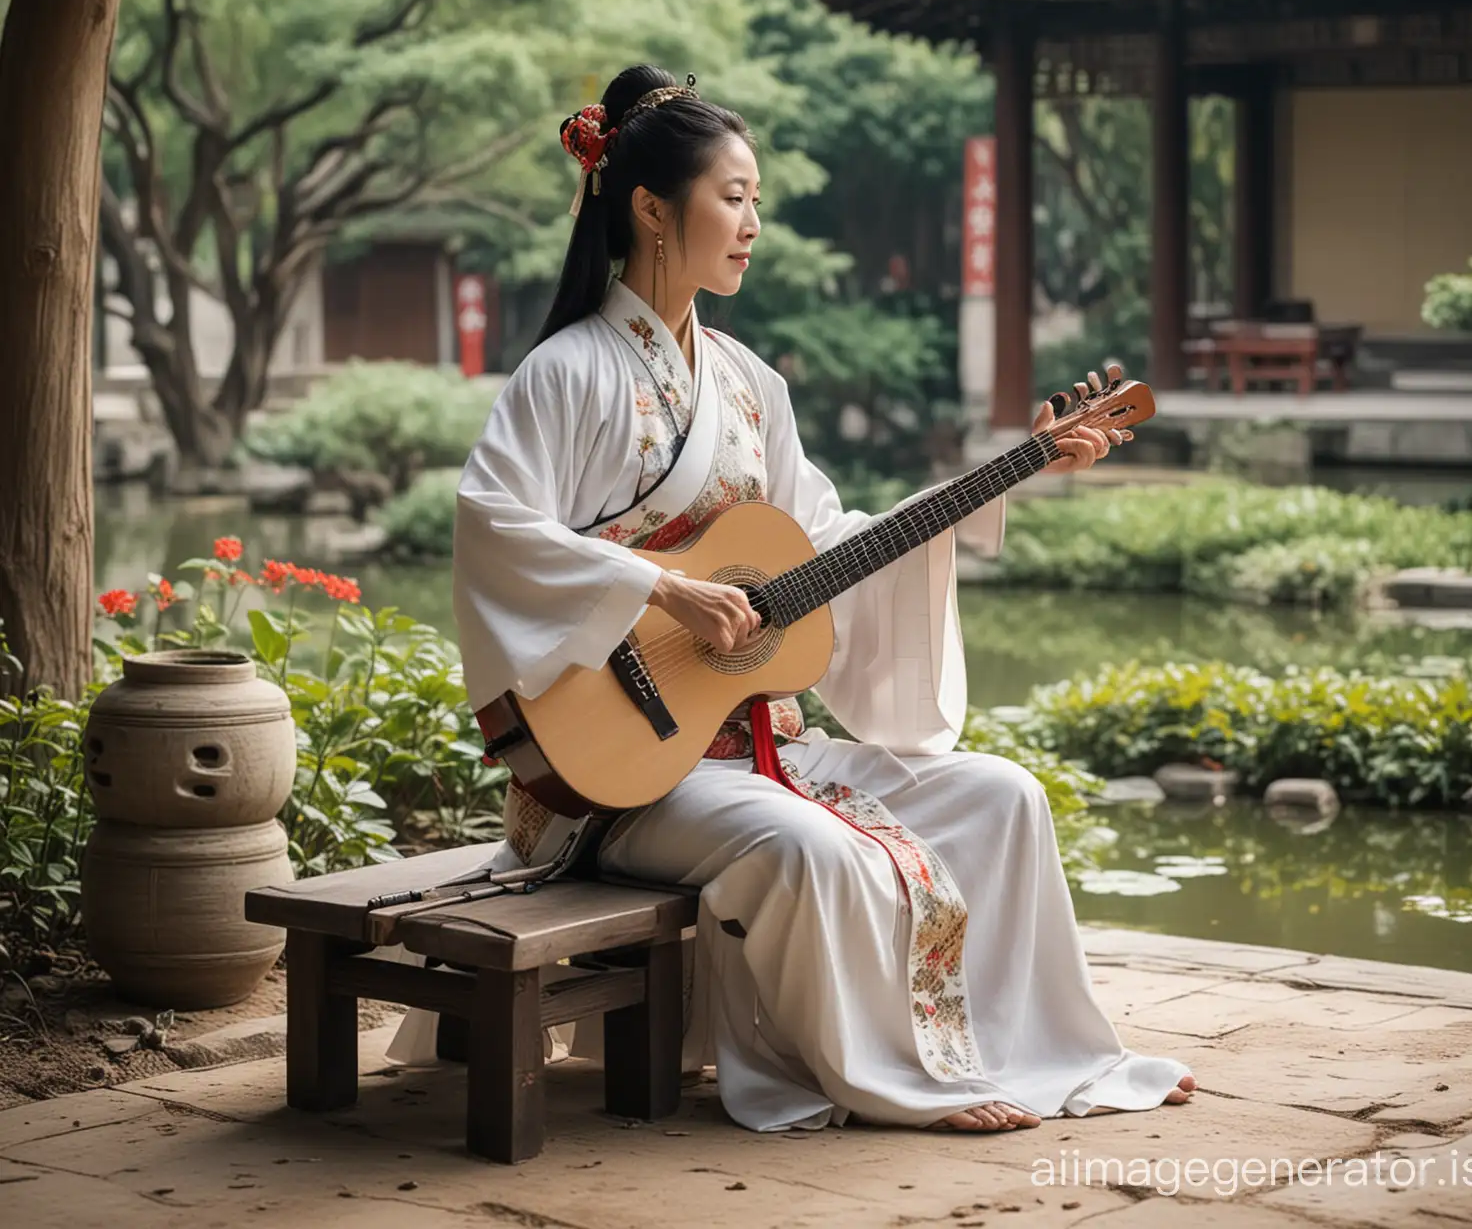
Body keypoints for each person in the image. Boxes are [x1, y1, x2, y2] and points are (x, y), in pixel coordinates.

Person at [437, 65, 1196, 1134]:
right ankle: (887, 1078)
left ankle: (1040, 1052)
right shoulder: (566, 373)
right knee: (811, 849)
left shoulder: (752, 388)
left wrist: (1000, 475)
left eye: (756, 200)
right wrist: (665, 588)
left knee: (1004, 797)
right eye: (733, 196)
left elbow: (830, 546)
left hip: (759, 744)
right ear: (653, 208)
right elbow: (494, 526)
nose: (754, 224)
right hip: (619, 780)